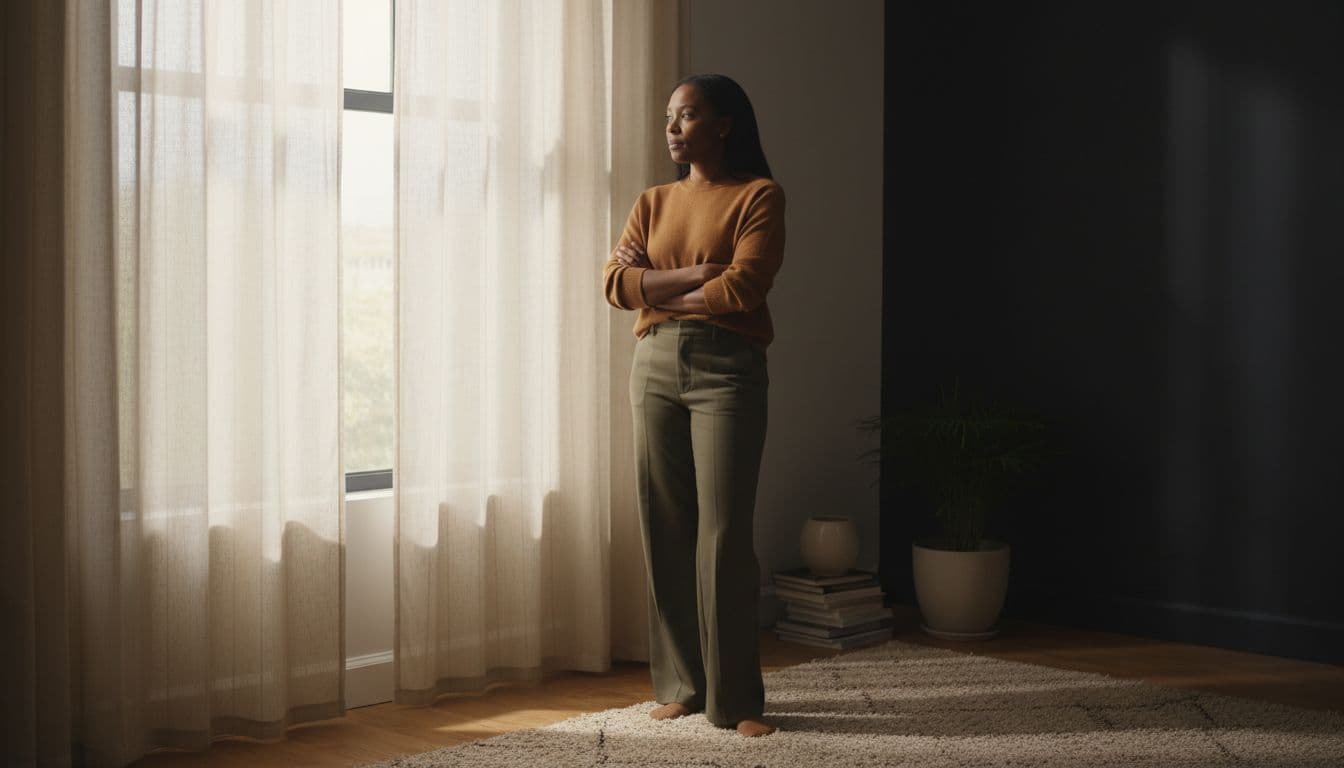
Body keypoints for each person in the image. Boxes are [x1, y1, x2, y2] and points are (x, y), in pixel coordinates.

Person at [601, 73, 785, 738]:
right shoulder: (652, 202)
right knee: (665, 525)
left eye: (687, 115)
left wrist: (654, 287)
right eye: (669, 118)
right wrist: (692, 277)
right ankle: (683, 683)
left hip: (727, 369)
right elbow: (614, 283)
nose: (673, 129)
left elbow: (742, 289)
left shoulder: (759, 196)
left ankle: (735, 701)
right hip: (652, 365)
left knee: (724, 534)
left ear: (724, 123)